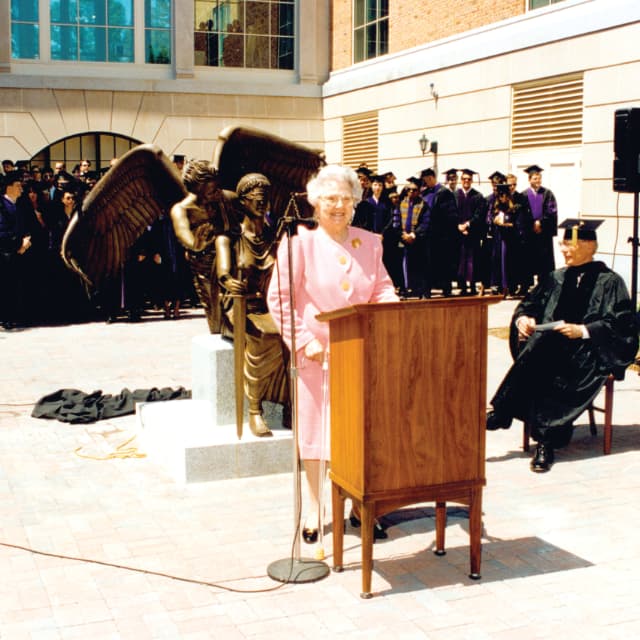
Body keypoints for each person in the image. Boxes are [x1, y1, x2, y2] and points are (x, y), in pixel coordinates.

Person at [267, 164, 398, 544]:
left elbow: (382, 290)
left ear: (356, 203)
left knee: (360, 434)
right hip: (316, 356)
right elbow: (280, 299)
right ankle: (314, 507)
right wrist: (305, 339)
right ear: (315, 203)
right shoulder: (299, 244)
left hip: (362, 356)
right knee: (315, 435)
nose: (338, 205)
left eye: (345, 198)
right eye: (330, 198)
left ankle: (360, 506)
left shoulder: (370, 243)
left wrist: (392, 313)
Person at [486, 218, 638, 472]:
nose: (564, 250)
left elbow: (624, 326)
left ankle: (521, 424)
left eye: (570, 245)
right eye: (563, 244)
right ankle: (533, 430)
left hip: (590, 352)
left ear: (589, 246)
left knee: (546, 360)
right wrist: (524, 319)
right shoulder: (555, 277)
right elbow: (528, 305)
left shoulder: (610, 281)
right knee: (542, 350)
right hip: (551, 347)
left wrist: (583, 331)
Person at [216, 173, 290, 438]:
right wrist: (228, 281)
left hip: (271, 304)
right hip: (239, 307)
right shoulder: (228, 239)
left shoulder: (275, 237)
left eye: (265, 200)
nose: (263, 204)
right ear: (243, 202)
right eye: (256, 200)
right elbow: (223, 273)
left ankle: (289, 403)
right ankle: (255, 410)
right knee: (266, 337)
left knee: (296, 334)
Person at [170, 160, 241, 333]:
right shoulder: (182, 210)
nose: (217, 193)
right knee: (215, 311)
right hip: (205, 266)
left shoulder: (226, 199)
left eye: (217, 187)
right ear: (198, 190)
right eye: (211, 191)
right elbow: (185, 237)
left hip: (233, 259)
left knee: (238, 305)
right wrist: (196, 243)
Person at [420, 167, 458, 297]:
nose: (425, 183)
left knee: (444, 264)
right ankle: (426, 292)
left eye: (426, 180)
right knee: (427, 264)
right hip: (427, 236)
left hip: (442, 237)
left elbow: (451, 216)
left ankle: (446, 291)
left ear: (431, 178)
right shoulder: (424, 193)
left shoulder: (445, 193)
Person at [522, 164, 558, 286]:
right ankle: (526, 286)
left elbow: (552, 211)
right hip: (529, 233)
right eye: (535, 178)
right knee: (528, 259)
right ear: (529, 179)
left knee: (544, 261)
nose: (537, 181)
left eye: (539, 178)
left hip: (543, 234)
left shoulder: (548, 193)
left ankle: (544, 285)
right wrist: (532, 223)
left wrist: (540, 222)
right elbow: (521, 214)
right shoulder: (523, 195)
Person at [454, 169, 486, 295]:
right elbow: (452, 213)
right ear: (461, 180)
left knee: (473, 260)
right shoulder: (455, 195)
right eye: (464, 179)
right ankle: (462, 286)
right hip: (458, 234)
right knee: (460, 260)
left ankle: (472, 285)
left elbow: (479, 214)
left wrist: (468, 225)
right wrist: (458, 226)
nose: (466, 181)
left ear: (471, 180)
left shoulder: (478, 196)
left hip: (473, 234)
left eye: (468, 179)